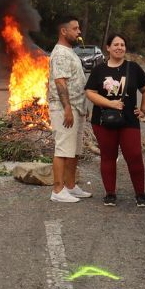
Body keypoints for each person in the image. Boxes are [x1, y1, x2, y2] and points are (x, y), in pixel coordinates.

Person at [85, 33, 145, 207]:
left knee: (135, 155)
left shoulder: (133, 68)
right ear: (108, 48)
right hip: (103, 120)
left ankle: (140, 193)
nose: (119, 47)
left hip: (129, 119)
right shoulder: (99, 69)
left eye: (122, 44)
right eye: (115, 44)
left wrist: (144, 109)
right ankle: (110, 193)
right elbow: (90, 93)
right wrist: (110, 103)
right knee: (108, 156)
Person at [48, 16, 93, 203]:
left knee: (74, 150)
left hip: (77, 107)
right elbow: (60, 82)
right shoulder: (60, 53)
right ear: (63, 31)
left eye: (78, 28)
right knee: (63, 149)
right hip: (64, 108)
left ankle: (71, 186)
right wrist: (67, 108)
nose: (79, 31)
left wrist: (83, 105)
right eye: (75, 28)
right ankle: (58, 191)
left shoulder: (70, 51)